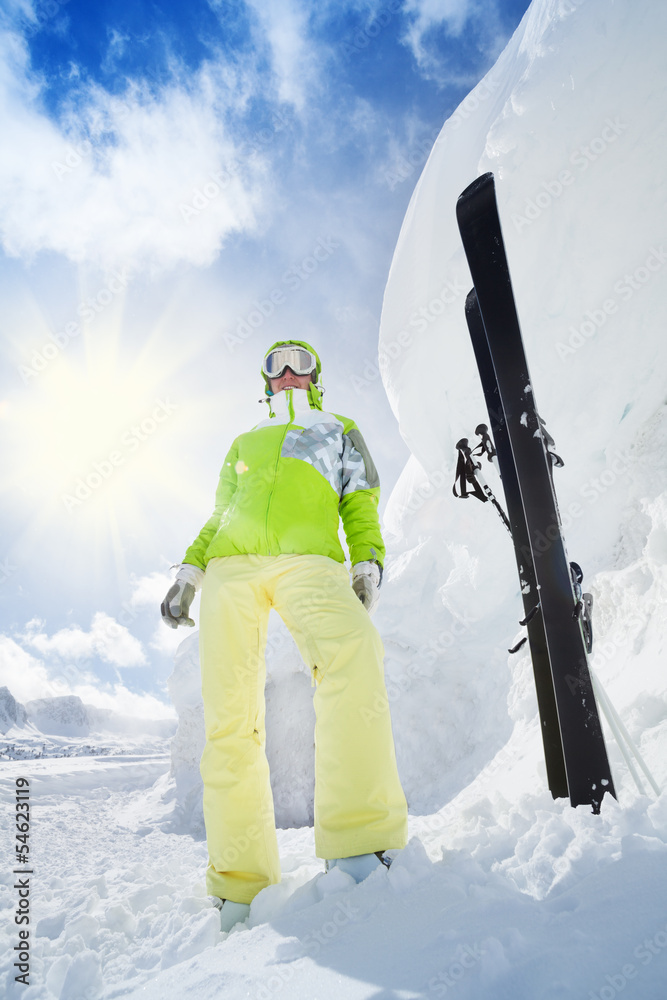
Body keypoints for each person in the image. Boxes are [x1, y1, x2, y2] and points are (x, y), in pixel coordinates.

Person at [161, 340, 408, 932]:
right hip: (231, 567)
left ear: (315, 374)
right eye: (278, 363)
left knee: (352, 652)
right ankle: (240, 884)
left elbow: (359, 500)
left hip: (310, 560)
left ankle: (358, 841)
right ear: (266, 379)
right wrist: (190, 572)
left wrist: (366, 561)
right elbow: (220, 514)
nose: (290, 371)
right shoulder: (245, 440)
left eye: (300, 361)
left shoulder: (338, 428)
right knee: (229, 715)